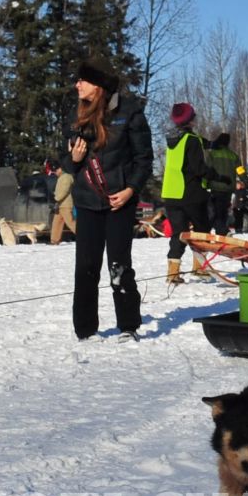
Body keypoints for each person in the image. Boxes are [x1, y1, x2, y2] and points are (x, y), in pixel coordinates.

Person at [67, 57, 152, 340]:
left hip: (119, 203)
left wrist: (131, 190)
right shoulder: (76, 115)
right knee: (86, 267)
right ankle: (85, 329)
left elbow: (144, 159)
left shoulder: (129, 112)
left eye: (83, 80)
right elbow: (66, 162)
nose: (77, 85)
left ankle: (128, 326)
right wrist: (74, 159)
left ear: (99, 85)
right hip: (87, 202)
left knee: (119, 265)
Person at [160, 102, 224, 284]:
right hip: (190, 193)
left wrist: (212, 144)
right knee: (201, 230)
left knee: (178, 233)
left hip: (171, 193)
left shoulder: (172, 139)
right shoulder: (192, 140)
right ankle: (200, 268)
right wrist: (215, 175)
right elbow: (198, 168)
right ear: (190, 119)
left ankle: (172, 273)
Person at [204, 132, 240, 234]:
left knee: (215, 214)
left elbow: (207, 170)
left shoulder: (212, 154)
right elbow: (240, 171)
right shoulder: (234, 156)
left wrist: (205, 185)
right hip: (228, 189)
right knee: (223, 213)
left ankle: (222, 232)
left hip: (215, 188)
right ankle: (222, 234)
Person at [49, 167, 77, 244]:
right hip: (59, 205)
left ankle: (84, 236)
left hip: (66, 204)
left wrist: (56, 198)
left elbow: (64, 190)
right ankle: (54, 240)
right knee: (56, 223)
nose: (55, 172)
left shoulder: (67, 177)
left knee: (71, 222)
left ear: (61, 169)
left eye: (56, 170)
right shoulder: (61, 177)